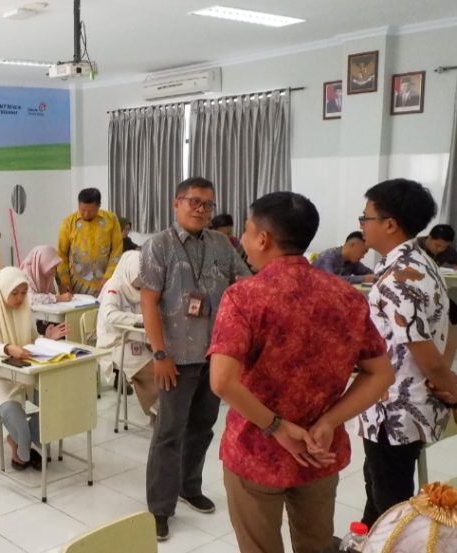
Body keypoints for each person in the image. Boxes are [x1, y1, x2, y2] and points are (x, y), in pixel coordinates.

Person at [208, 191, 394, 553]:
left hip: (256, 449)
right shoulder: (347, 296)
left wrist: (277, 428)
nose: (243, 240)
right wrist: (329, 422)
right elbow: (380, 374)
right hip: (319, 449)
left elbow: (222, 381)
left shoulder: (243, 297)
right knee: (316, 544)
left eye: (246, 230)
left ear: (263, 238)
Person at [137, 176, 251, 541]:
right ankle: (159, 508)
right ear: (176, 203)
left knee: (203, 425)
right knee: (169, 433)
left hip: (215, 356)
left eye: (207, 204)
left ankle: (189, 486)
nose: (201, 210)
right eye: (194, 202)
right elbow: (148, 302)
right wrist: (159, 354)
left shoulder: (220, 243)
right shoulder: (158, 246)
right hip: (175, 357)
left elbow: (244, 284)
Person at [356, 179, 457, 526]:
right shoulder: (420, 262)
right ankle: (367, 540)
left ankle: (390, 543)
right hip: (399, 403)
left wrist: (452, 387)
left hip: (396, 409)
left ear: (389, 224)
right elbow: (450, 322)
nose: (361, 225)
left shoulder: (400, 277)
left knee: (391, 501)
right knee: (377, 484)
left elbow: (426, 355)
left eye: (365, 217)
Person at [0, 267, 67, 471]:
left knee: (55, 406)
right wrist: (7, 348)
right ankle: (20, 444)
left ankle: (19, 441)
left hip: (24, 372)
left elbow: (32, 341)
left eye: (23, 293)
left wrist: (46, 339)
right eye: (14, 293)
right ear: (2, 290)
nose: (19, 298)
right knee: (20, 427)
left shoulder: (25, 308)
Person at [96, 250, 158, 424]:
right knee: (154, 371)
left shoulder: (142, 289)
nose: (140, 283)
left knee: (167, 363)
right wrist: (141, 319)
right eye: (137, 279)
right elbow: (110, 316)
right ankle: (158, 413)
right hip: (115, 343)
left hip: (136, 338)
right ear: (129, 271)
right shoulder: (114, 287)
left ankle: (160, 413)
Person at [56, 187, 123, 297]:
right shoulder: (68, 223)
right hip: (75, 284)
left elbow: (117, 251)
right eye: (82, 210)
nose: (86, 214)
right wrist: (64, 281)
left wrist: (108, 277)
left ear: (99, 205)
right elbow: (61, 254)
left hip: (105, 283)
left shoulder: (111, 220)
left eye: (90, 211)